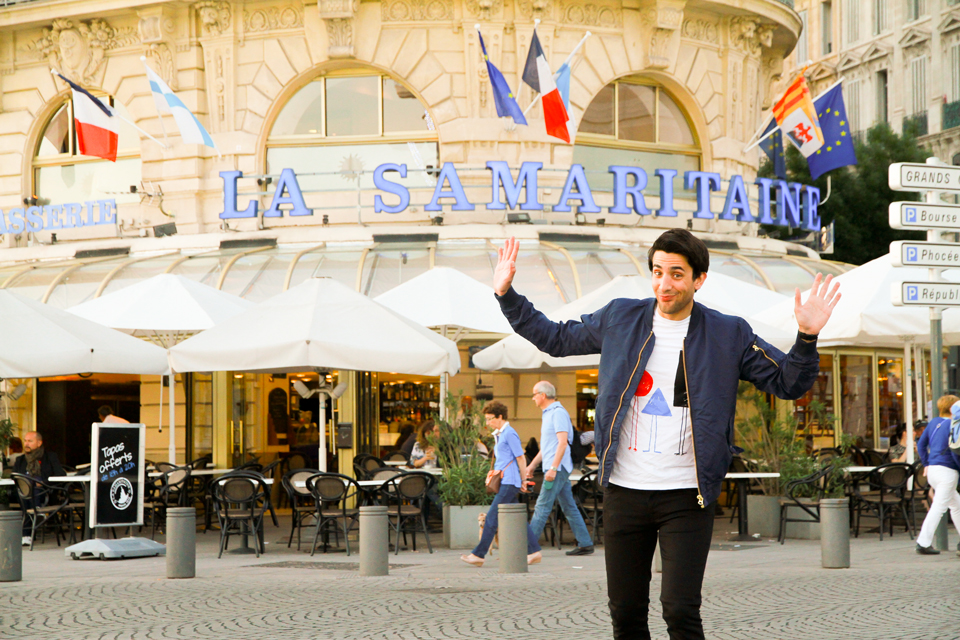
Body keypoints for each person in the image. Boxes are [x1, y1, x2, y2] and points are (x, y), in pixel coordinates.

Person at [493, 230, 839, 639]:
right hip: (624, 491)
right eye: (657, 272)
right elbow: (556, 337)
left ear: (699, 279)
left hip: (687, 495)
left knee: (680, 610)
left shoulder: (729, 333)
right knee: (625, 612)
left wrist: (807, 337)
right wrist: (508, 295)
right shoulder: (621, 317)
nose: (664, 283)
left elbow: (788, 383)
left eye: (677, 274)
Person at [460, 401, 542, 567]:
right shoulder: (500, 434)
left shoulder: (509, 433)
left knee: (492, 517)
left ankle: (479, 554)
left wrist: (523, 479)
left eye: (490, 419)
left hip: (510, 481)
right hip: (507, 480)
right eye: (487, 419)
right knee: (519, 519)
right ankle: (534, 552)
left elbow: (520, 457)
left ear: (500, 417)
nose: (488, 423)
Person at [524, 381, 595, 556]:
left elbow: (562, 444)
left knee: (542, 506)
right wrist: (532, 466)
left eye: (534, 394)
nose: (532, 398)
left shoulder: (557, 413)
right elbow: (548, 447)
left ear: (542, 395)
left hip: (557, 468)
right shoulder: (548, 414)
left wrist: (553, 468)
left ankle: (526, 548)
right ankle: (585, 543)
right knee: (568, 506)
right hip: (555, 467)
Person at [914, 395, 960, 556]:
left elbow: (921, 444)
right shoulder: (954, 425)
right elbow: (954, 450)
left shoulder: (933, 422)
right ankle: (923, 542)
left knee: (956, 505)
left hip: (933, 470)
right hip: (947, 471)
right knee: (939, 508)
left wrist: (926, 463)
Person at [12, 431, 65, 546]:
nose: (26, 444)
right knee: (26, 491)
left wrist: (43, 483)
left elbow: (61, 475)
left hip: (45, 492)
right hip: (24, 493)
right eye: (25, 441)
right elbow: (15, 477)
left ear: (39, 443)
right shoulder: (20, 460)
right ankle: (36, 512)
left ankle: (26, 534)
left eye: (30, 441)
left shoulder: (50, 457)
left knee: (33, 490)